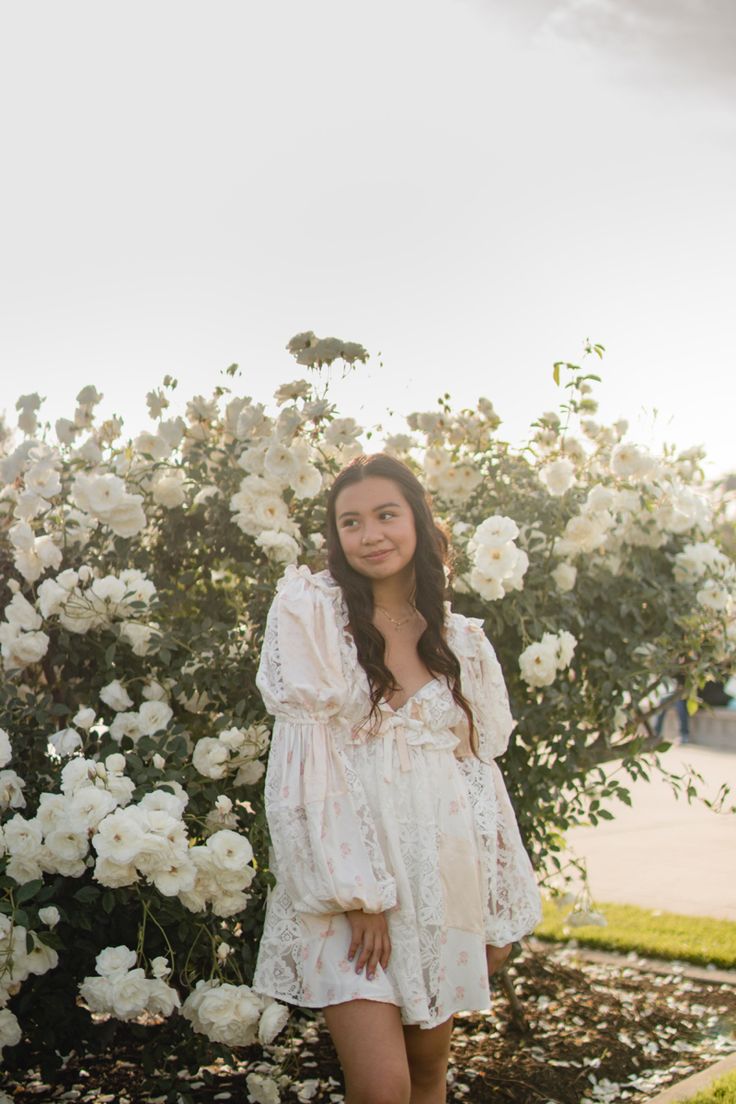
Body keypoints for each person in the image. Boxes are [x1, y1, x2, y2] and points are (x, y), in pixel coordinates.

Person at [253, 454, 541, 1104]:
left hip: (441, 888)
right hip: (348, 894)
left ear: (417, 520)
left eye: (386, 514)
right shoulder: (314, 618)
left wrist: (496, 907)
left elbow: (478, 782)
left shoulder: (461, 641)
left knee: (428, 1076)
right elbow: (305, 775)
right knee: (382, 1089)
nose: (370, 533)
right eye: (351, 522)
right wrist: (360, 896)